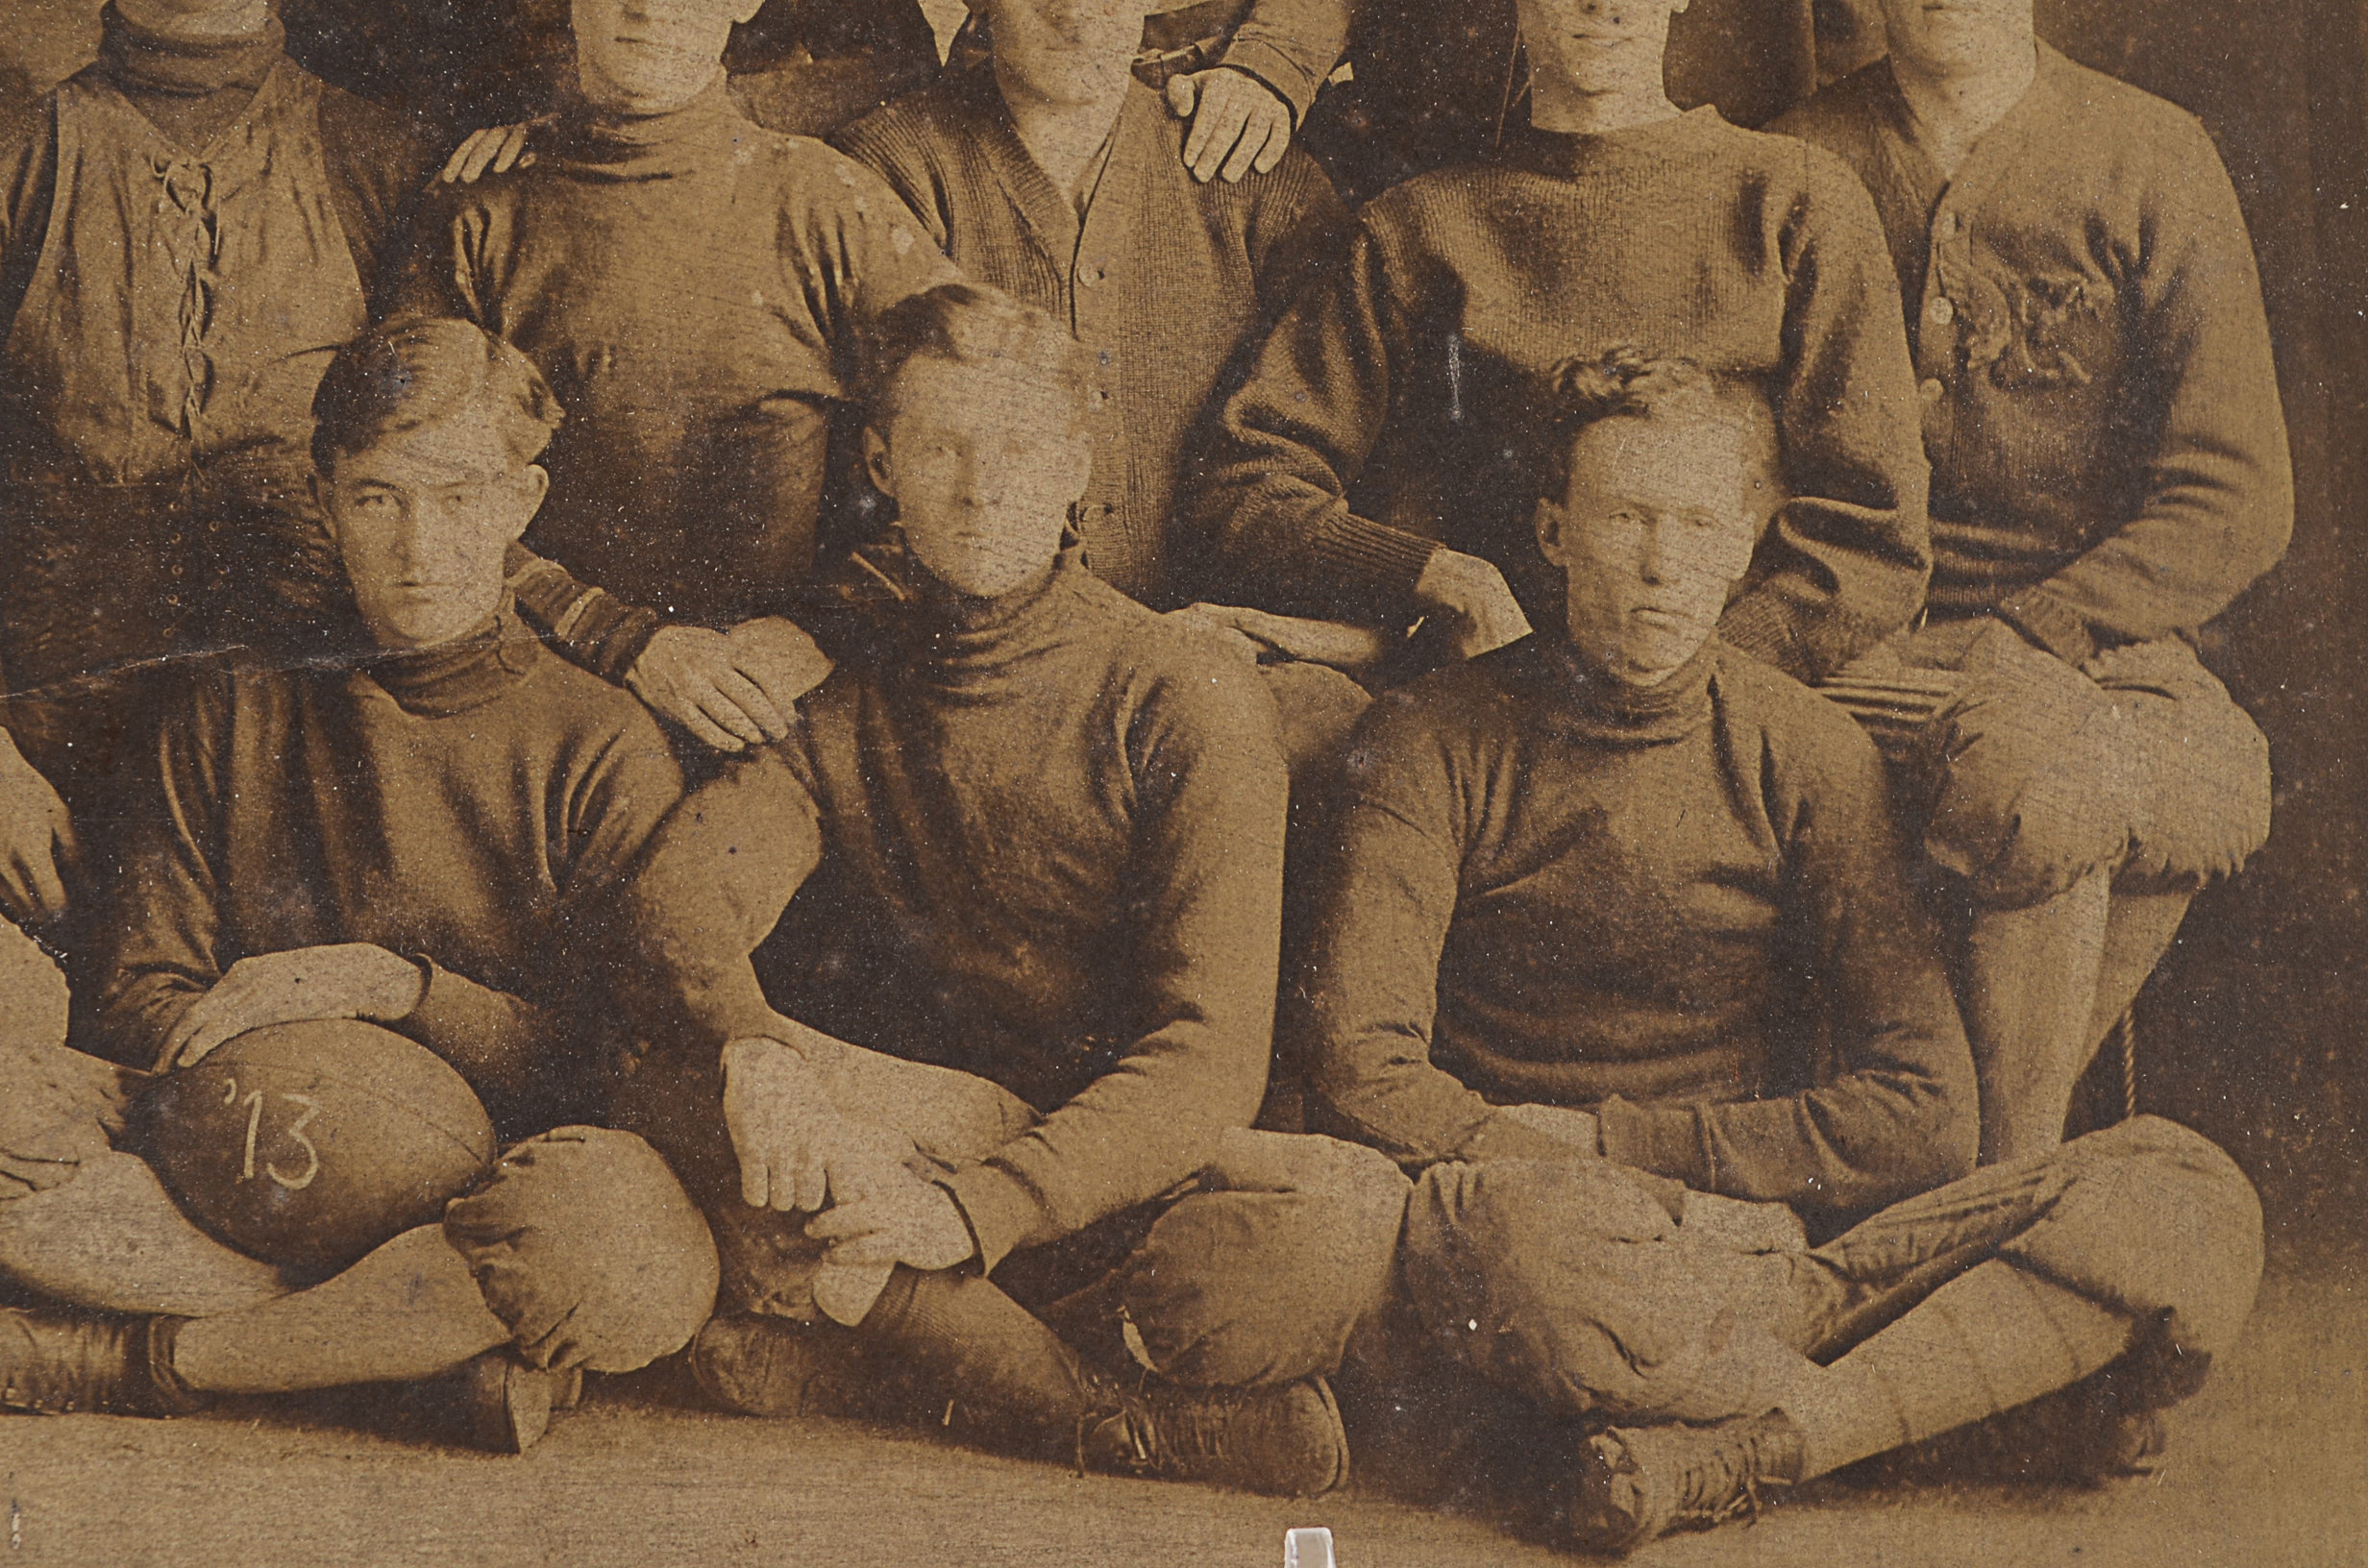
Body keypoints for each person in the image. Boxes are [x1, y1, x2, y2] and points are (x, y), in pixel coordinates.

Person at [1297, 350, 2263, 1554]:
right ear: (1553, 531)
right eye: (1624, 518)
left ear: (1748, 544)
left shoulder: (1805, 753)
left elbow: (1925, 1114)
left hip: (1770, 1254)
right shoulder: (1431, 738)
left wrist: (1638, 1154)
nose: (1660, 564)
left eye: (1699, 524)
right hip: (1547, 1231)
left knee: (2185, 1190)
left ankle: (1754, 1439)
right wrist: (1615, 1186)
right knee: (1503, 1245)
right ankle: (1907, 1404)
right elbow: (1360, 1068)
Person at [608, 282, 1408, 1496]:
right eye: (941, 448)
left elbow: (1204, 1059)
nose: (982, 489)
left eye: (1022, 449)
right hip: (900, 1147)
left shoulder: (1178, 691)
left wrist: (978, 1210)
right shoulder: (845, 690)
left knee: (1307, 1246)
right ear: (882, 465)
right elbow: (677, 906)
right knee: (666, 1070)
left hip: (1106, 1168)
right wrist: (756, 1052)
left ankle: (890, 1347)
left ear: (1076, 467)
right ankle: (1080, 1407)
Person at [0, 320, 715, 1454]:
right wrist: (250, 1076)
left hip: (488, 1192)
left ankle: (145, 1360)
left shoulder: (602, 745)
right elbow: (138, 991)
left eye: (458, 496)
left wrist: (393, 988)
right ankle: (393, 1354)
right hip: (229, 1160)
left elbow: (624, 1065)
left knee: (613, 1251)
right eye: (380, 498)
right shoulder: (235, 705)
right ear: (327, 500)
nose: (419, 544)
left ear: (521, 502)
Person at [1771, 0, 2287, 1162]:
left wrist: (2038, 626)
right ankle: (2006, 1184)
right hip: (1859, 649)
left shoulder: (2152, 154)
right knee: (2046, 789)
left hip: (2098, 648)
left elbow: (2236, 492)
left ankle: (1951, 1166)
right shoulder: (1799, 156)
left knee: (2199, 779)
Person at [1193, 0, 1930, 690]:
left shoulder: (1794, 200)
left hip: (1730, 697)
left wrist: (1675, 688)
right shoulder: (1419, 229)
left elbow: (1873, 540)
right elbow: (1247, 485)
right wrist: (1445, 581)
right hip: (1488, 701)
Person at [388, 0, 957, 756]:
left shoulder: (828, 203)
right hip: (544, 702)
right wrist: (619, 640)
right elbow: (405, 480)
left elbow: (990, 433)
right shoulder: (478, 212)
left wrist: (827, 626)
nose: (650, 8)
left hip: (779, 706)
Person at [0, 0, 436, 910]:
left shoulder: (386, 156)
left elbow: (452, 479)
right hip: (50, 784)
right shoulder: (22, 155)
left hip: (317, 778)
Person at [832, 0, 1347, 612]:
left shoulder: (1256, 175)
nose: (1076, 15)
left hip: (1232, 635)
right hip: (982, 641)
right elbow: (873, 488)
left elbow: (1328, 460)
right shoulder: (887, 169)